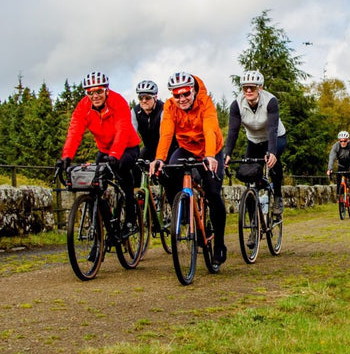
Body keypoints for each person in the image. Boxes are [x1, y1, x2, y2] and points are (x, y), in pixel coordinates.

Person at [151, 71, 228, 265]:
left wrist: (210, 155)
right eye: (177, 95)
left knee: (212, 191)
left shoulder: (205, 103)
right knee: (167, 172)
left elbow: (210, 129)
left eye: (186, 94)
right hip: (186, 148)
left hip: (210, 150)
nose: (182, 99)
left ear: (193, 91)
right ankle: (183, 212)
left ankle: (219, 242)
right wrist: (159, 158)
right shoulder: (169, 108)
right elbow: (166, 134)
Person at [58, 71, 141, 228]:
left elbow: (122, 130)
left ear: (106, 90)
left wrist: (115, 155)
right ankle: (104, 228)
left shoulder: (118, 102)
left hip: (127, 147)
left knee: (123, 172)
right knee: (94, 184)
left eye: (99, 91)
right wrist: (66, 156)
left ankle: (131, 214)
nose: (95, 95)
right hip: (104, 150)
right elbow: (74, 131)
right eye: (90, 92)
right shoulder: (83, 106)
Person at [224, 70, 288, 215]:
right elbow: (233, 132)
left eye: (252, 87)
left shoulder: (270, 101)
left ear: (260, 87)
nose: (248, 90)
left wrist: (272, 152)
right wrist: (227, 153)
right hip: (253, 140)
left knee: (273, 161)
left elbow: (272, 128)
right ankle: (254, 224)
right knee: (249, 176)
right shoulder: (237, 105)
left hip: (275, 137)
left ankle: (277, 196)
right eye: (244, 87)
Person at [131, 79, 177, 163]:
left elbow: (163, 134)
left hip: (168, 148)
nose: (144, 101)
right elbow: (130, 134)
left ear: (155, 97)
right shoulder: (135, 111)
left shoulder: (163, 109)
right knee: (136, 165)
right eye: (141, 98)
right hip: (149, 147)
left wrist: (159, 158)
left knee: (165, 170)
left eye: (147, 98)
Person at [326, 131, 350, 201]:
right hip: (341, 165)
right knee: (339, 180)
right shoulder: (336, 146)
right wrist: (330, 168)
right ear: (339, 140)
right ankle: (340, 197)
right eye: (341, 141)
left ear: (348, 140)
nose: (343, 143)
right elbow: (332, 157)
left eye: (345, 141)